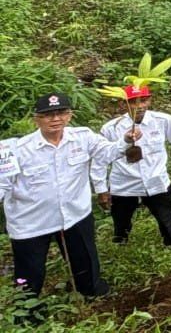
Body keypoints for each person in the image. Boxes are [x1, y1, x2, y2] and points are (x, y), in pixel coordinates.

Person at [1, 93, 141, 308]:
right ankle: (26, 311)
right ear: (36, 119)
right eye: (48, 115)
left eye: (61, 113)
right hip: (31, 222)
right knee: (30, 271)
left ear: (69, 115)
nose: (55, 119)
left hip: (75, 215)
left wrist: (126, 141)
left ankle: (92, 293)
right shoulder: (17, 149)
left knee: (85, 260)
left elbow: (107, 153)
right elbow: (3, 184)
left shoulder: (83, 137)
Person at [91, 85, 171, 249]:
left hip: (156, 180)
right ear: (123, 104)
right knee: (121, 222)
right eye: (133, 102)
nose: (140, 106)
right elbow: (100, 159)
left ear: (150, 100)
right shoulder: (111, 128)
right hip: (124, 183)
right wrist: (101, 189)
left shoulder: (163, 120)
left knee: (166, 219)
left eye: (143, 100)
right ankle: (120, 247)